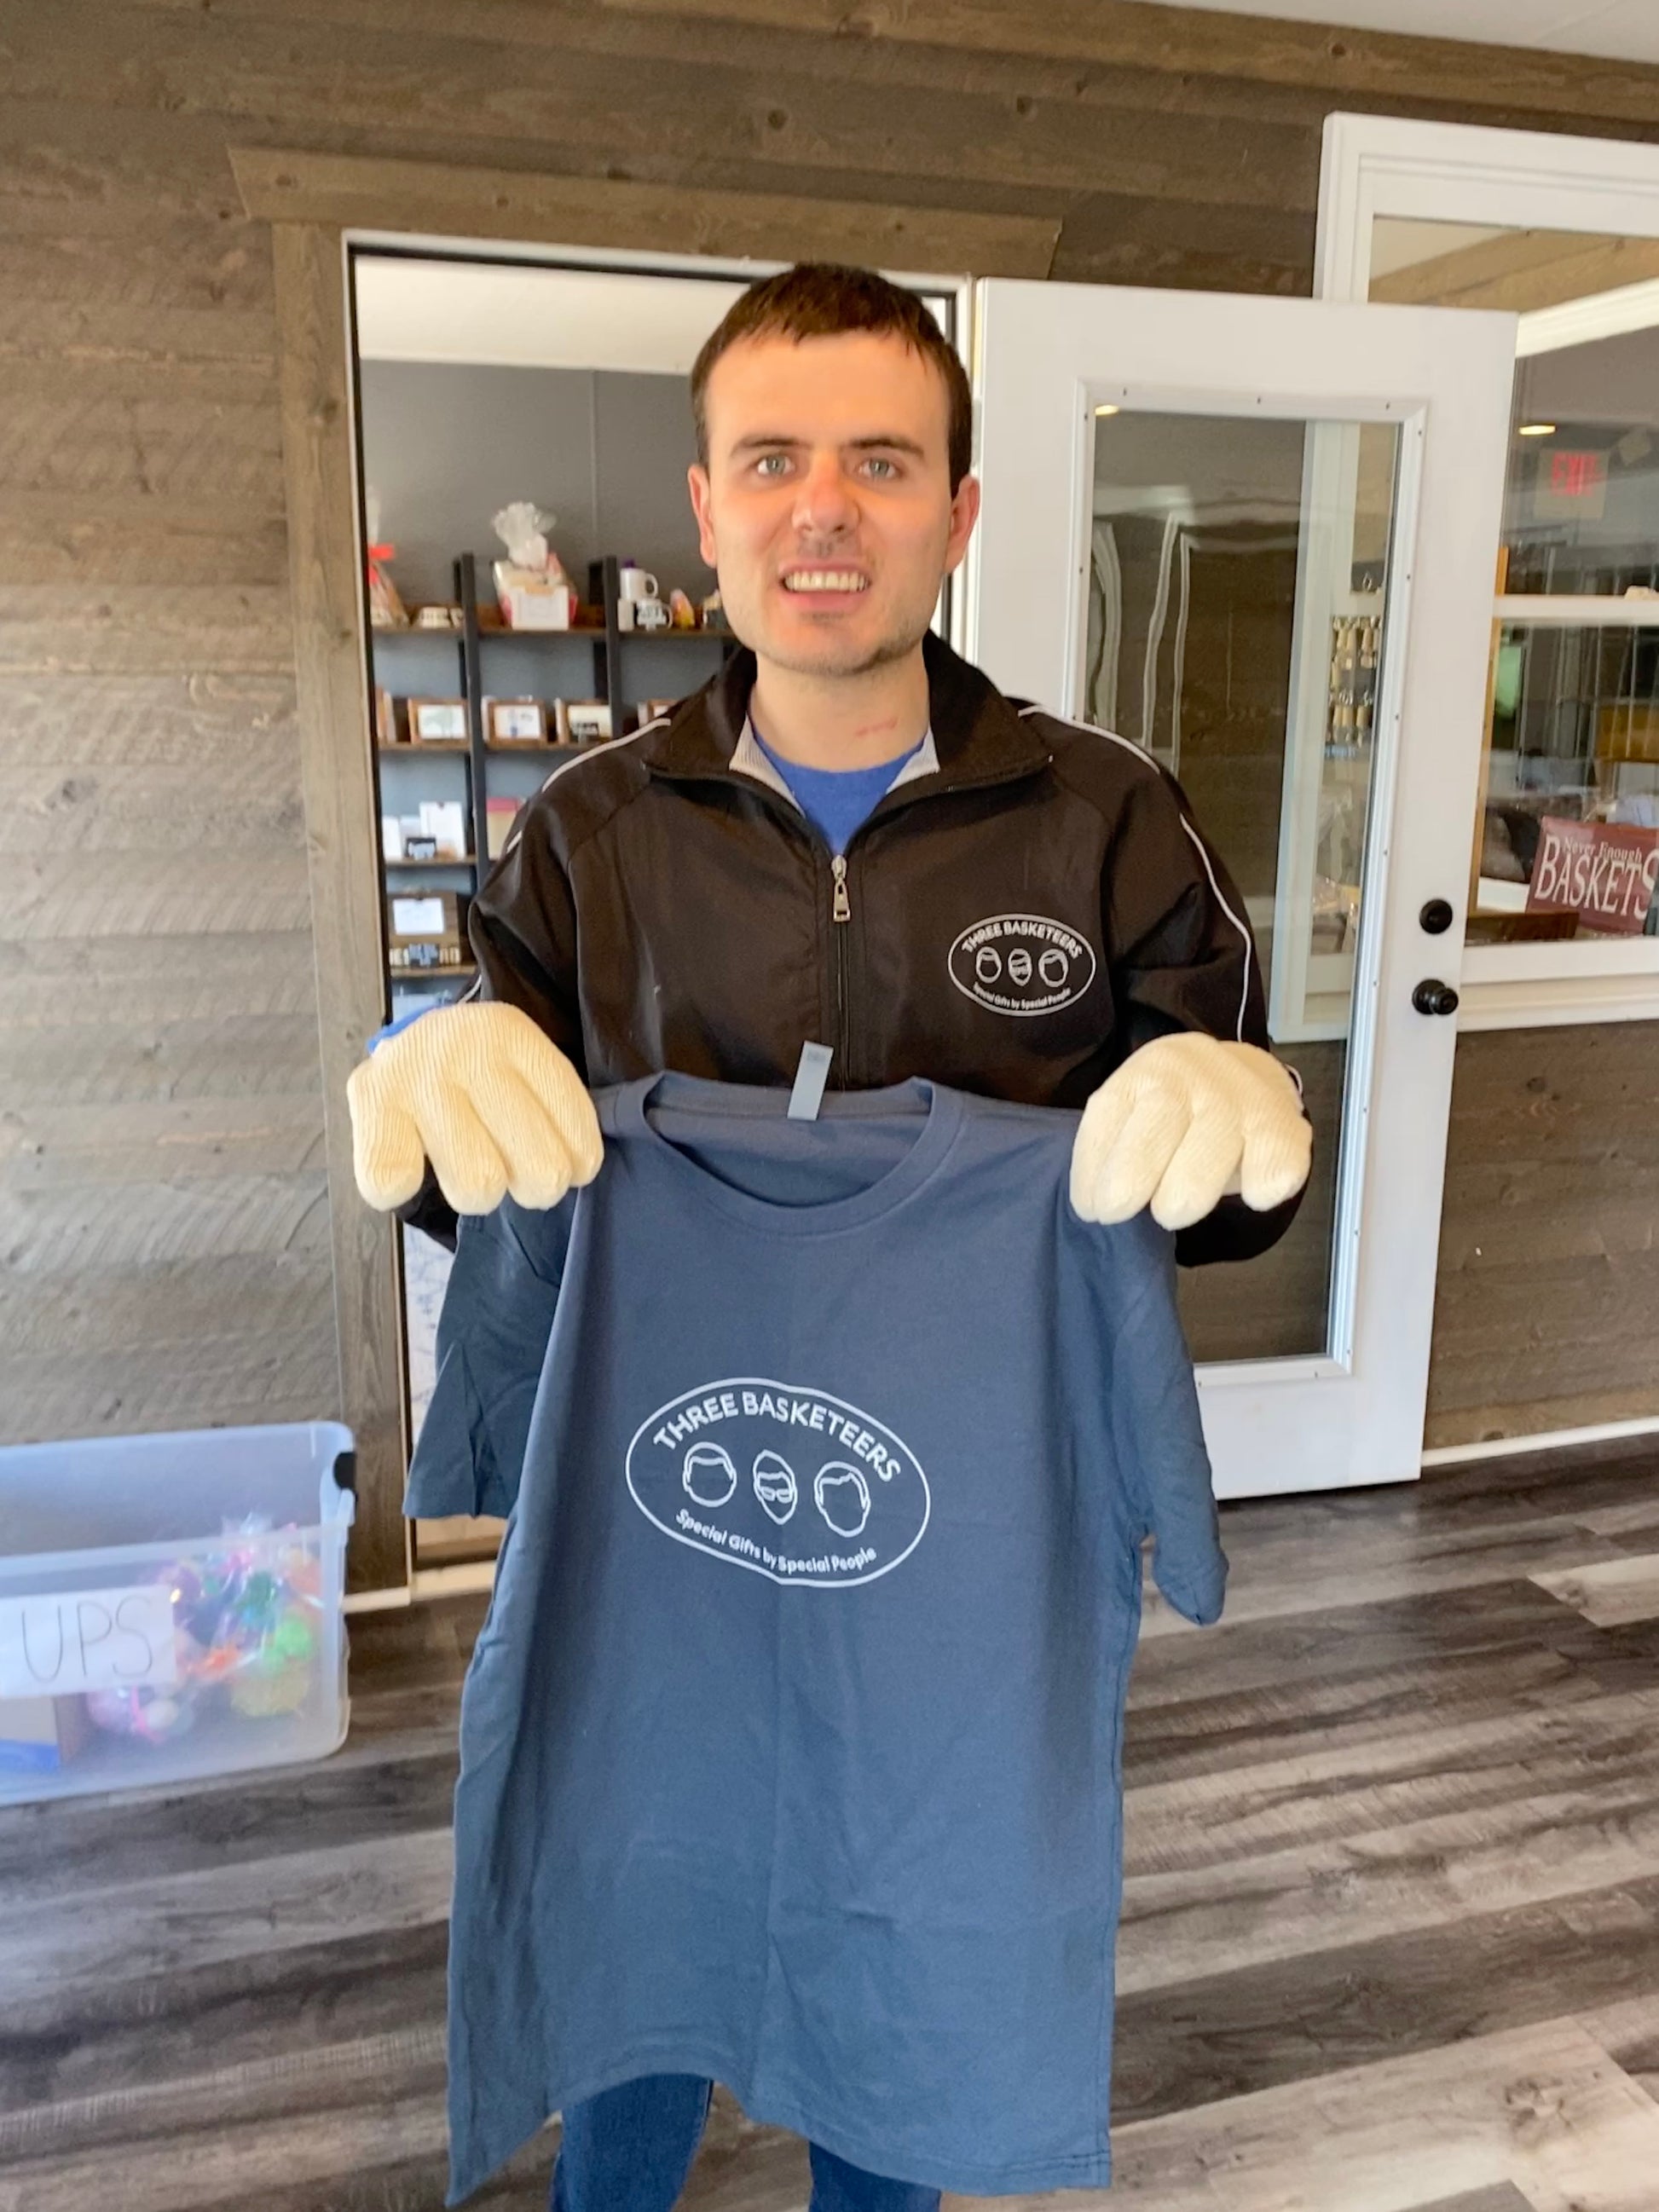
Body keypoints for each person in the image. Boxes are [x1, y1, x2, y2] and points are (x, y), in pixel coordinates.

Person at [349, 263, 1311, 2212]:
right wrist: (420, 1081)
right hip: (654, 1528)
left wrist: (1245, 1121)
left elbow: (1194, 1189)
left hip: (962, 1544)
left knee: (921, 1912)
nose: (824, 508)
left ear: (959, 514)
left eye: (883, 462)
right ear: (706, 506)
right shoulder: (584, 831)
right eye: (774, 458)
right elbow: (501, 1171)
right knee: (635, 1869)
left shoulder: (1110, 816)